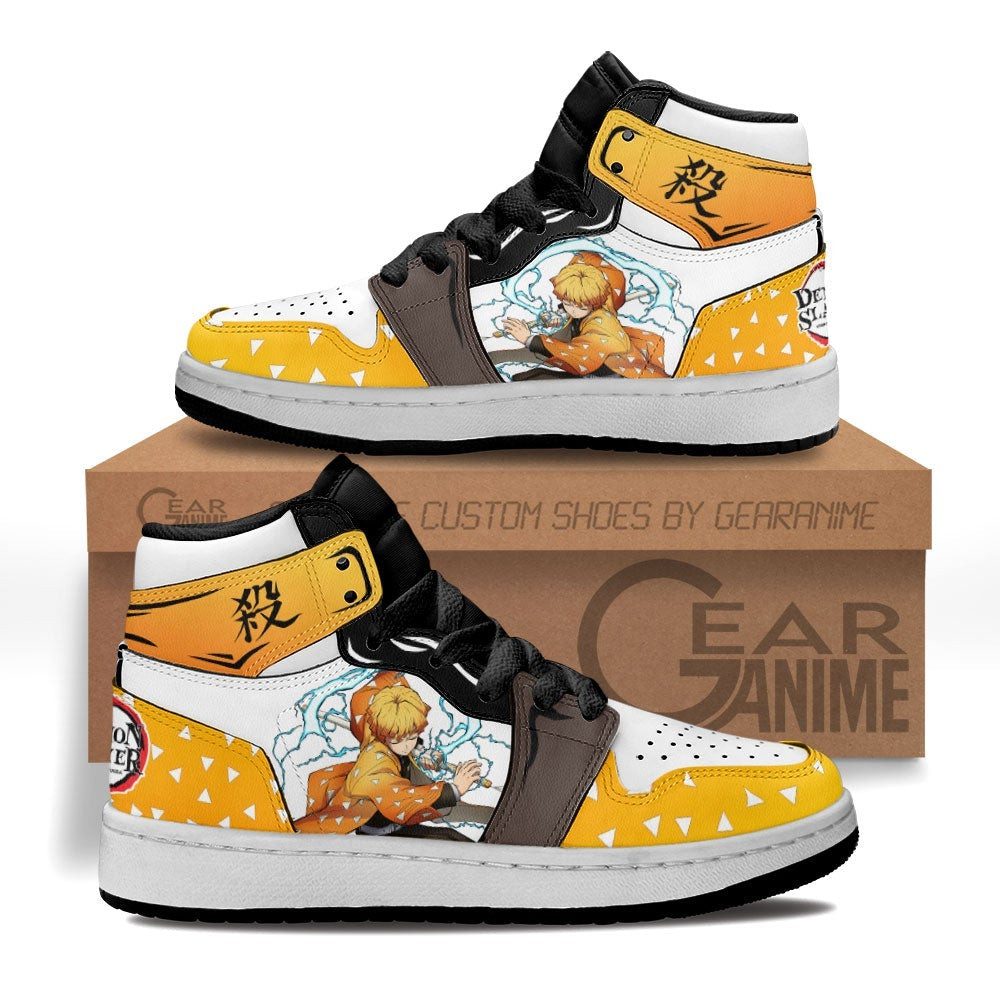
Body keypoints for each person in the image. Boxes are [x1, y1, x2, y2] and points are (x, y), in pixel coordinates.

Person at [295, 672, 482, 839]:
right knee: (450, 839)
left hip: (394, 821)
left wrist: (422, 754)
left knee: (452, 834)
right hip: (381, 834)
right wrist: (454, 790)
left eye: (412, 736)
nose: (407, 745)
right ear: (383, 734)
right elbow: (399, 800)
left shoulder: (383, 728)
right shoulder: (375, 763)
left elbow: (368, 698)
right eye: (398, 739)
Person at [501, 252, 668, 379]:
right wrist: (559, 319)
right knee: (529, 377)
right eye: (568, 302)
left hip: (610, 378)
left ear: (595, 301)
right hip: (592, 373)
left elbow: (580, 355)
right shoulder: (584, 311)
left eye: (580, 305)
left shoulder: (602, 323)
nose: (573, 310)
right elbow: (572, 317)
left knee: (536, 379)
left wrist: (530, 340)